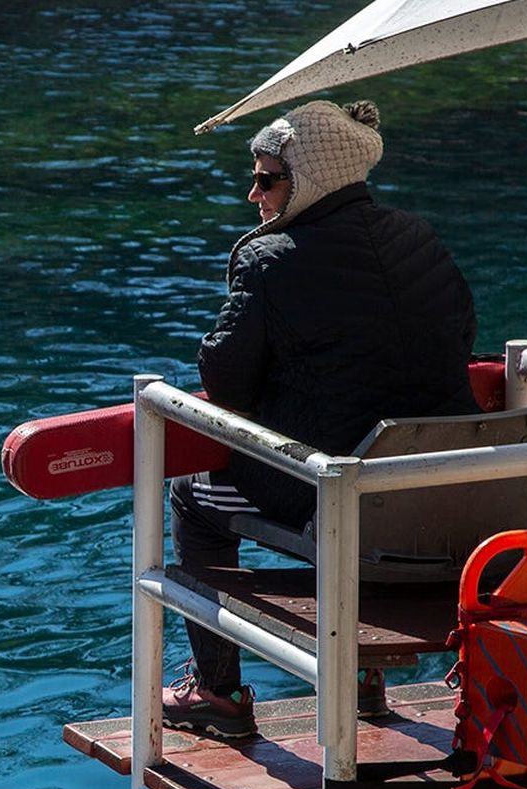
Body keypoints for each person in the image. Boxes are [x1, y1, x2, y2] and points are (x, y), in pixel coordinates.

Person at [164, 99, 479, 737]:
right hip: (448, 486)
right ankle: (361, 681)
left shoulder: (270, 259)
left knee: (191, 495)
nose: (253, 194)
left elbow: (222, 379)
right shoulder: (420, 237)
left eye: (266, 178)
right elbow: (457, 335)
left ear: (309, 180)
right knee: (346, 467)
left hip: (339, 493)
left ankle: (219, 696)